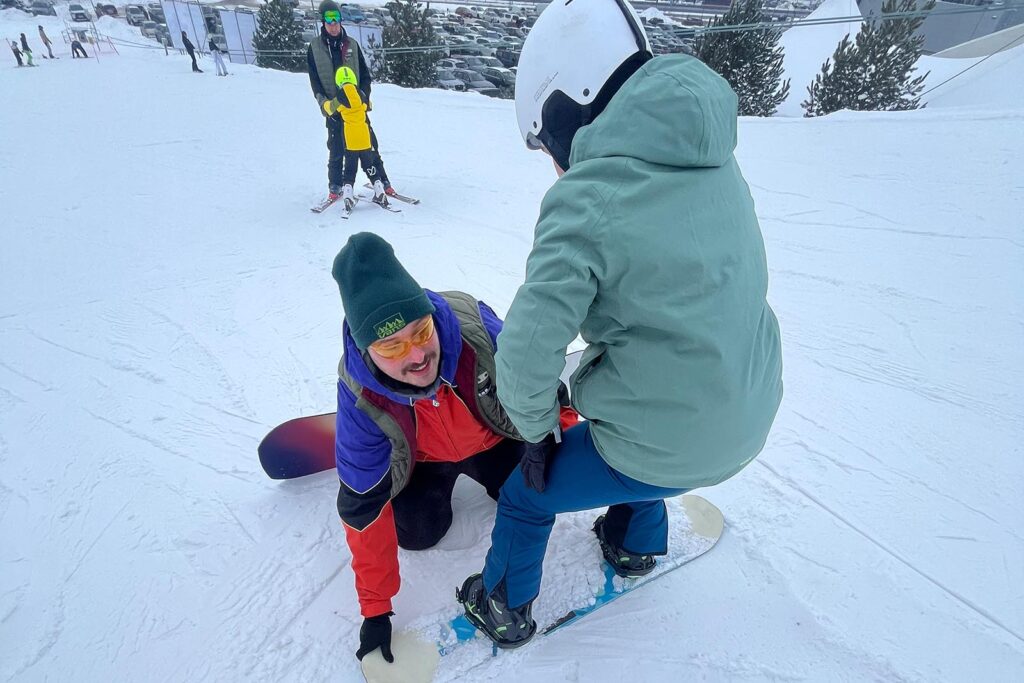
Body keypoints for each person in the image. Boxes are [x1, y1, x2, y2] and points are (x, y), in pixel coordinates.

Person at [456, 0, 783, 649]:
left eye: (547, 147)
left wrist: (536, 430)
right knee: (636, 426)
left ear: (564, 111)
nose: (556, 165)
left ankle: (502, 604)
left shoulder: (588, 196)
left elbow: (525, 353)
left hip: (667, 438)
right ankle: (634, 543)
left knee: (528, 494)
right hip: (750, 412)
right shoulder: (713, 157)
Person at [329, 233, 577, 663]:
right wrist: (376, 610)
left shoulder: (476, 332)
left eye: (421, 331)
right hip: (424, 461)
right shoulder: (360, 397)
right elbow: (362, 507)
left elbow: (547, 392)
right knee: (416, 534)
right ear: (368, 350)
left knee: (540, 488)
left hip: (493, 439)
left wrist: (558, 447)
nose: (417, 355)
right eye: (392, 346)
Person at [307, 0, 397, 203]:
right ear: (323, 22)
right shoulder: (315, 48)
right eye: (329, 20)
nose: (333, 24)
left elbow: (365, 76)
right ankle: (335, 185)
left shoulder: (352, 45)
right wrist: (325, 105)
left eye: (336, 19)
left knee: (369, 146)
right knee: (336, 148)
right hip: (335, 107)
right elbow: (315, 83)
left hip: (356, 107)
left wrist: (364, 96)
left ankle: (383, 181)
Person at [321, 66, 390, 209]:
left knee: (350, 169)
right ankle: (379, 190)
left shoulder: (340, 98)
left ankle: (348, 195)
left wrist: (324, 102)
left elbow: (329, 109)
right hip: (365, 138)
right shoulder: (361, 95)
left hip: (350, 140)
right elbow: (369, 106)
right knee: (369, 165)